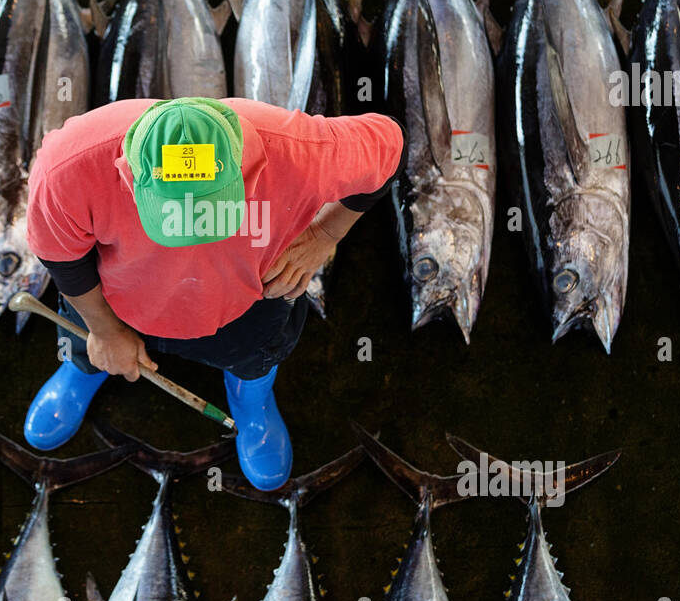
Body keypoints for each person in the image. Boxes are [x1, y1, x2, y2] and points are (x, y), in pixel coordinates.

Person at [24, 96, 405, 491]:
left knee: (253, 357)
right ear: (130, 172)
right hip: (113, 299)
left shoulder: (297, 147)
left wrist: (326, 233)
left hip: (247, 300)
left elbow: (390, 146)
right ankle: (85, 368)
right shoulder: (68, 165)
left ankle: (250, 400)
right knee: (85, 342)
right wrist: (103, 331)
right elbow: (62, 257)